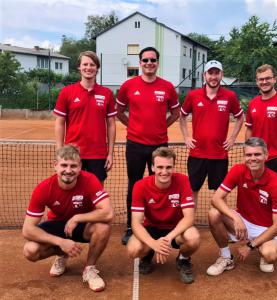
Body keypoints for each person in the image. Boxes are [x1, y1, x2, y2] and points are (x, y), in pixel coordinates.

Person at [22, 145, 114, 292]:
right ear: (55, 166)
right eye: (64, 165)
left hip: (82, 226)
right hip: (56, 225)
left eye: (73, 166)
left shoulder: (90, 180)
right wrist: (61, 242)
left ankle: (89, 269)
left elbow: (108, 213)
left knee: (104, 227)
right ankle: (61, 253)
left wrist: (77, 217)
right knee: (30, 250)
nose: (68, 170)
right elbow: (27, 230)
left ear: (80, 167)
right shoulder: (43, 188)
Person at [117, 46, 180, 244]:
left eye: (153, 60)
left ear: (158, 63)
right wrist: (133, 126)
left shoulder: (167, 87)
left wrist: (162, 126)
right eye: (145, 60)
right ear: (140, 63)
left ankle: (155, 226)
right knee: (134, 186)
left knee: (159, 186)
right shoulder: (128, 86)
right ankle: (130, 227)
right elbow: (119, 112)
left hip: (159, 146)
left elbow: (176, 113)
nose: (149, 63)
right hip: (134, 145)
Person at [207, 137, 277, 276]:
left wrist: (250, 246)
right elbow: (216, 199)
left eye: (257, 154)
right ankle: (226, 257)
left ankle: (260, 247)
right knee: (214, 213)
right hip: (242, 222)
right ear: (244, 156)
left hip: (265, 228)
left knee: (269, 255)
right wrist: (235, 217)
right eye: (249, 155)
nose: (252, 158)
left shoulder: (275, 182)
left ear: (266, 156)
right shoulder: (238, 170)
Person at [127, 147, 200, 284]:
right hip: (151, 227)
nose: (164, 172)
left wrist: (167, 239)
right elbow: (136, 223)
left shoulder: (183, 180)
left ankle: (183, 259)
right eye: (160, 167)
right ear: (153, 167)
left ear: (173, 167)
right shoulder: (140, 186)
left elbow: (189, 217)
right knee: (133, 249)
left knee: (193, 237)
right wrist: (153, 244)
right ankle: (147, 254)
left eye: (168, 167)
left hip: (175, 229)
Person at [180, 60, 244, 204]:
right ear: (204, 75)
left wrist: (232, 138)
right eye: (210, 73)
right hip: (197, 153)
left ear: (222, 75)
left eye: (216, 73)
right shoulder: (193, 95)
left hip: (219, 154)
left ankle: (218, 225)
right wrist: (186, 137)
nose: (213, 77)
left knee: (220, 194)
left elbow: (240, 117)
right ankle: (189, 224)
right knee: (192, 190)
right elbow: (182, 116)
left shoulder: (230, 96)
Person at [54, 51, 116, 185]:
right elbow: (60, 123)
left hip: (98, 154)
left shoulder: (107, 94)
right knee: (71, 192)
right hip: (73, 154)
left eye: (92, 65)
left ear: (97, 68)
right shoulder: (67, 92)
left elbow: (111, 124)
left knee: (97, 194)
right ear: (79, 67)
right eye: (85, 64)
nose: (88, 68)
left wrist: (110, 153)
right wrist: (60, 152)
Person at [245, 64, 277, 178]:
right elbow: (249, 128)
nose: (264, 82)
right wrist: (248, 152)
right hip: (255, 158)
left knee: (273, 194)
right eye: (261, 79)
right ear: (257, 81)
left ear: (275, 79)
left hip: (274, 158)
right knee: (254, 192)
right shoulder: (253, 103)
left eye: (267, 78)